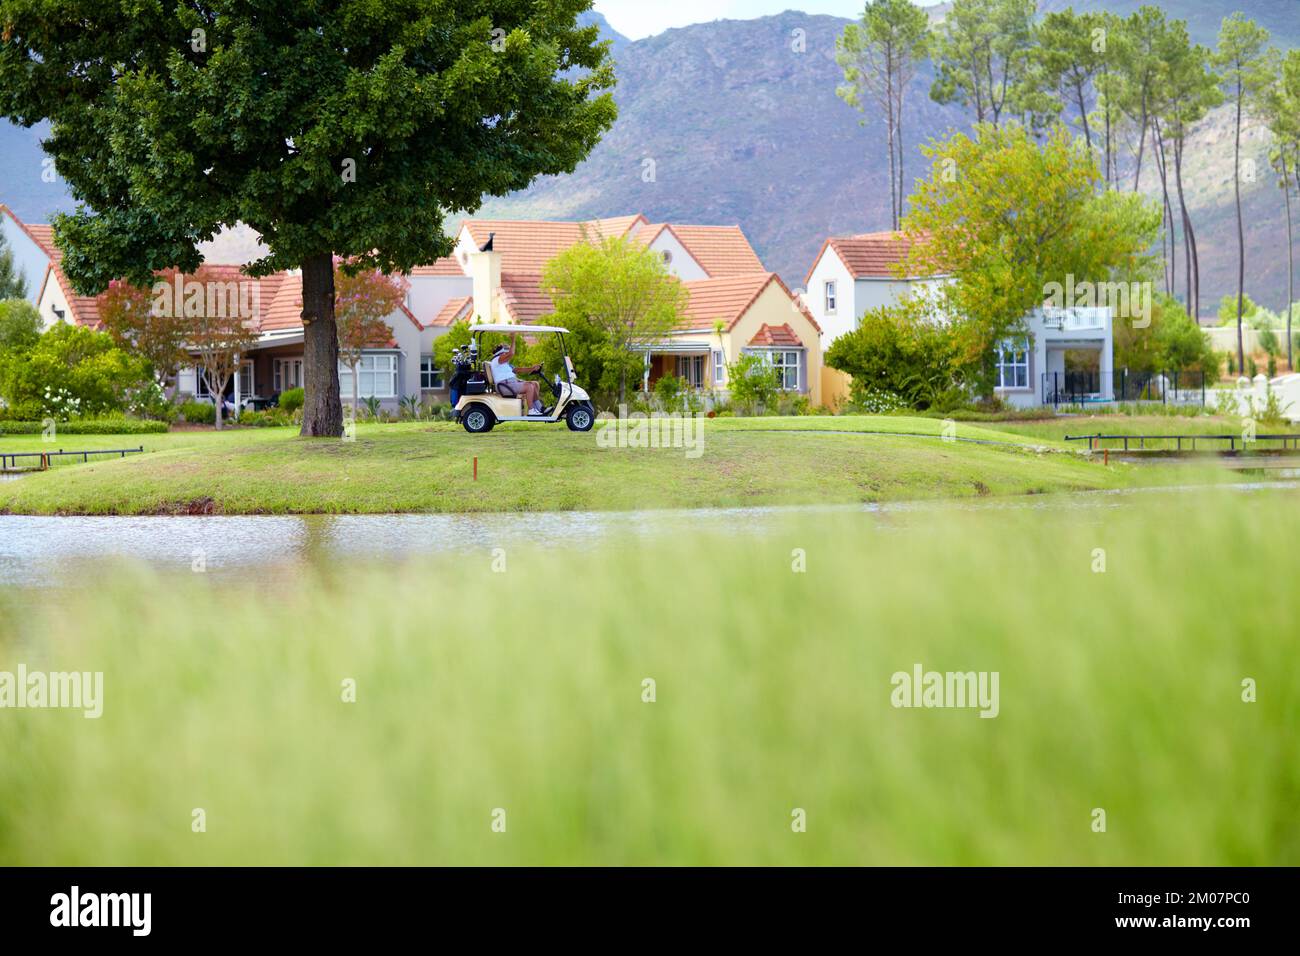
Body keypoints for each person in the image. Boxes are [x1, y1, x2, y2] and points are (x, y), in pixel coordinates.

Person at [489, 335, 546, 415]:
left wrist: (532, 368)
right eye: (505, 352)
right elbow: (511, 353)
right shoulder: (498, 359)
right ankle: (531, 410)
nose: (507, 354)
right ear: (501, 353)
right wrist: (513, 339)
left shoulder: (504, 364)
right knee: (529, 387)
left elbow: (518, 370)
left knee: (535, 384)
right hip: (504, 386)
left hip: (509, 384)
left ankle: (540, 408)